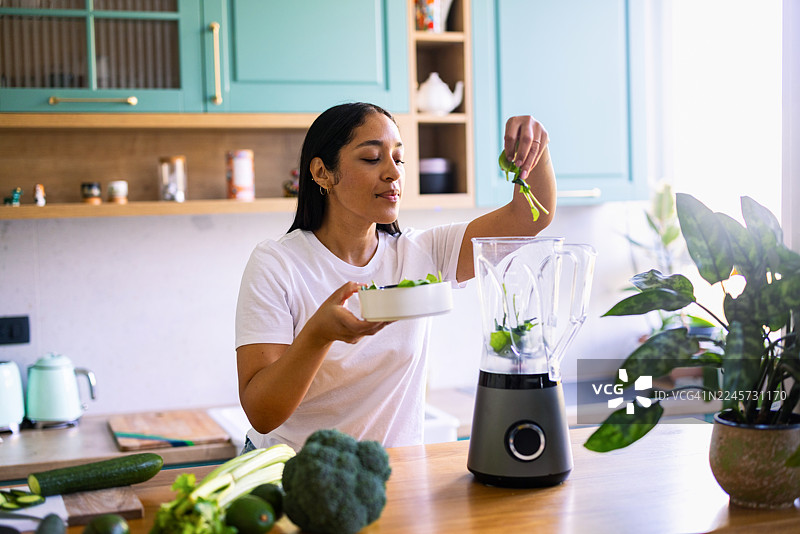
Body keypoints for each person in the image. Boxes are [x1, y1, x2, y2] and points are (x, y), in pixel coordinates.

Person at [235, 102, 555, 452]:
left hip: (389, 475)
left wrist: (533, 148)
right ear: (323, 173)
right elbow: (262, 414)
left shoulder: (423, 252)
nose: (393, 172)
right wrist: (318, 335)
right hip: (293, 475)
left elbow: (530, 217)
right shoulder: (277, 264)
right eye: (372, 158)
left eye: (398, 159)